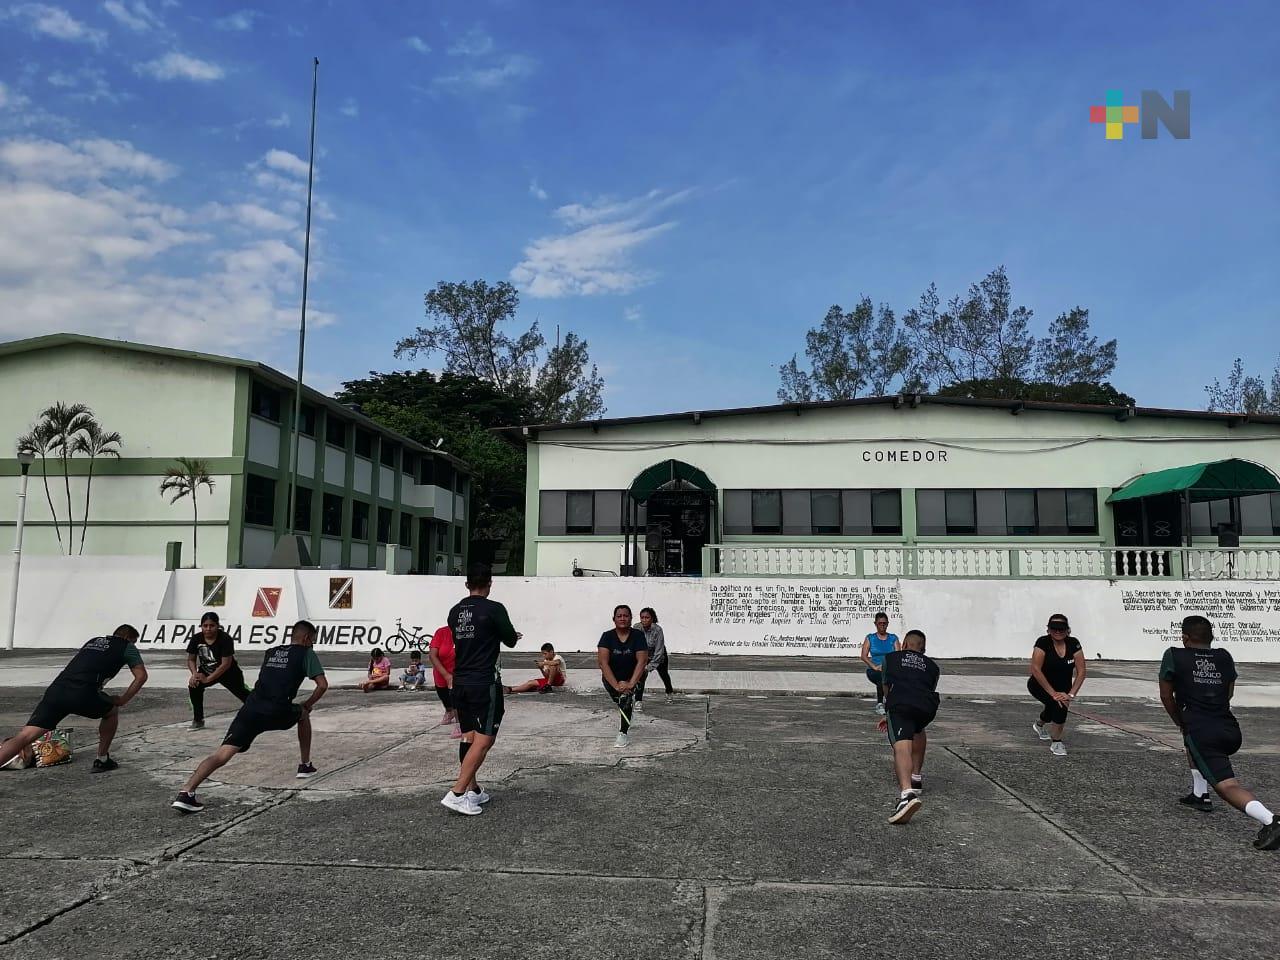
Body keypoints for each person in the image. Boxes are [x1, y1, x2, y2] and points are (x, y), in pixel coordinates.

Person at [172, 620, 328, 813]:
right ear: (306, 638)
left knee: (221, 755)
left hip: (251, 708)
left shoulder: (271, 651)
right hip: (277, 709)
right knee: (303, 714)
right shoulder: (306, 653)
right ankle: (305, 765)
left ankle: (186, 792)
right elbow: (322, 685)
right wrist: (307, 704)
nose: (313, 644)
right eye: (313, 640)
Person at [1158, 615, 1280, 851]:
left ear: (1184, 637)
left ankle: (1271, 820)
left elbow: (1166, 695)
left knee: (1227, 787)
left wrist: (1180, 720)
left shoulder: (1174, 655)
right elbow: (1228, 693)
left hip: (1202, 729)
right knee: (1193, 746)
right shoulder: (1223, 656)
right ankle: (1199, 793)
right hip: (1228, 726)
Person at [0, 625, 148, 774]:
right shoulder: (126, 646)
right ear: (128, 638)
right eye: (134, 642)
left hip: (57, 689)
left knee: (24, 736)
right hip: (82, 692)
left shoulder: (94, 640)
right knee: (111, 711)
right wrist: (123, 700)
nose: (133, 645)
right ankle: (102, 759)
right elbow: (141, 676)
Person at [440, 564, 521, 816]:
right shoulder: (494, 608)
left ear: (466, 585)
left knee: (469, 736)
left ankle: (473, 790)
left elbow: (467, 639)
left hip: (460, 681)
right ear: (490, 583)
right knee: (485, 739)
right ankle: (457, 793)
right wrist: (510, 636)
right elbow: (508, 638)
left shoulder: (454, 612)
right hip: (483, 681)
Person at [880, 629, 940, 825]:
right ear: (923, 649)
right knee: (918, 728)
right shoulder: (932, 666)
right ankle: (916, 777)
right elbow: (928, 687)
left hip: (901, 703)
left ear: (904, 645)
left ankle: (907, 794)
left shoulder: (891, 658)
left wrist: (889, 711)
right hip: (926, 706)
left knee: (901, 745)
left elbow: (886, 687)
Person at [1028, 613, 1087, 756]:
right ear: (1048, 630)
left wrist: (1071, 694)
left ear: (1068, 630)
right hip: (1040, 685)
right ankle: (1057, 742)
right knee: (1057, 705)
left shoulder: (1074, 643)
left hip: (1063, 687)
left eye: (1062, 629)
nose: (1058, 632)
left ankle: (1039, 724)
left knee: (1056, 705)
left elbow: (1082, 671)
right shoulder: (1043, 642)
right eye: (1054, 628)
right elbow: (1036, 669)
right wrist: (1053, 693)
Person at [186, 611, 252, 730]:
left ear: (218, 626)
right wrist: (195, 675)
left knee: (243, 694)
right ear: (201, 626)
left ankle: (263, 713)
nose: (208, 629)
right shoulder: (196, 639)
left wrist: (208, 679)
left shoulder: (225, 639)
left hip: (229, 673)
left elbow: (226, 664)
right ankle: (198, 719)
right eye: (205, 626)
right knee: (194, 686)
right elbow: (191, 659)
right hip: (206, 670)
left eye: (212, 625)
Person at [597, 605, 649, 748]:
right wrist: (616, 686)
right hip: (612, 679)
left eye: (626, 615)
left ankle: (623, 733)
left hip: (632, 677)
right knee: (621, 701)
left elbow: (642, 660)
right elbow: (603, 663)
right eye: (619, 616)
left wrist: (631, 684)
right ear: (613, 619)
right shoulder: (607, 636)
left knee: (625, 700)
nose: (622, 618)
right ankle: (625, 703)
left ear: (631, 618)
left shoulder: (638, 636)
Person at [859, 611, 900, 715]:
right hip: (874, 669)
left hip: (889, 668)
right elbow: (864, 656)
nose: (882, 626)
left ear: (887, 624)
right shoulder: (870, 638)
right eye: (880, 623)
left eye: (884, 623)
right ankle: (880, 703)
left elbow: (898, 655)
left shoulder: (893, 638)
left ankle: (891, 702)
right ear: (875, 624)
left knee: (888, 677)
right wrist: (875, 667)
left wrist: (888, 666)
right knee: (881, 677)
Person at [635, 607, 674, 708]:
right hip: (644, 655)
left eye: (647, 617)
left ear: (652, 619)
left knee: (664, 674)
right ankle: (638, 700)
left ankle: (669, 692)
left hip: (658, 655)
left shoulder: (657, 630)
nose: (644, 620)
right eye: (642, 617)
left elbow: (659, 651)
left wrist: (649, 667)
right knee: (641, 676)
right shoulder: (636, 628)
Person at [428, 624, 460, 738]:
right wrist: (447, 676)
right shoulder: (441, 632)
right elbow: (432, 655)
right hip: (441, 671)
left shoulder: (469, 632)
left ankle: (460, 724)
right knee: (444, 696)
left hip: (460, 672)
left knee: (456, 698)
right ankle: (449, 711)